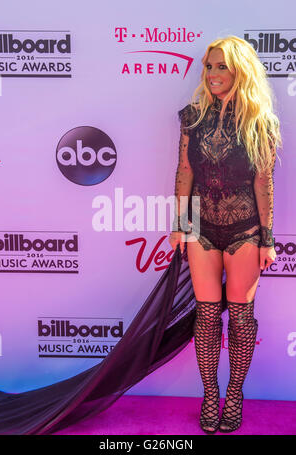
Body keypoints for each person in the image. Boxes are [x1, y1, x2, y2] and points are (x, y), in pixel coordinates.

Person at [169, 35, 281, 434]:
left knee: (241, 318)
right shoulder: (192, 117)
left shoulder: (260, 121)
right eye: (209, 67)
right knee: (206, 317)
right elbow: (185, 172)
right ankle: (210, 395)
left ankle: (234, 394)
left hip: (245, 231)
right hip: (200, 229)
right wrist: (180, 224)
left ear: (240, 70)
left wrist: (267, 237)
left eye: (222, 67)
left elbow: (263, 181)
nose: (213, 74)